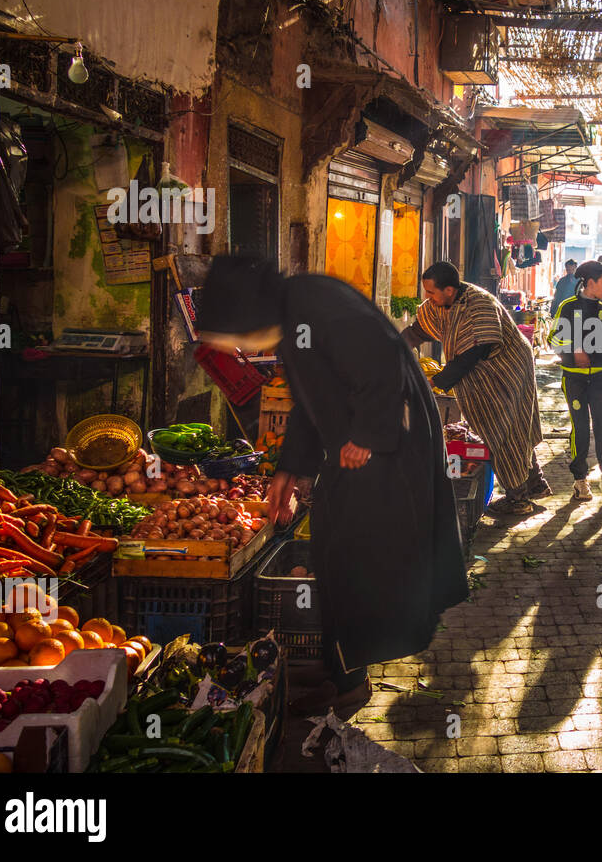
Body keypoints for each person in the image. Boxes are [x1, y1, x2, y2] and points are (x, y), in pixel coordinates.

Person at [195, 256, 469, 714]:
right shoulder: (294, 310)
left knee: (354, 555)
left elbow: (383, 363)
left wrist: (365, 435)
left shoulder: (315, 302)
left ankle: (350, 682)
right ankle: (337, 668)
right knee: (330, 550)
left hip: (388, 449)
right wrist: (289, 468)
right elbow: (310, 401)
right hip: (355, 449)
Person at [402, 261, 550, 518]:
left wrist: (434, 381)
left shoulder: (479, 305)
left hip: (507, 368)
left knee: (502, 428)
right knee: (516, 428)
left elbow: (471, 355)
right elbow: (417, 332)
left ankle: (518, 498)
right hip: (479, 369)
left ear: (449, 290)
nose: (427, 298)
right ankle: (533, 483)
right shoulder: (441, 305)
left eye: (431, 292)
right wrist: (395, 347)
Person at [550, 260, 602, 504]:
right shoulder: (567, 308)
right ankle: (580, 480)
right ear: (590, 283)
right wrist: (575, 349)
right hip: (575, 379)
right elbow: (554, 340)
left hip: (601, 379)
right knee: (580, 428)